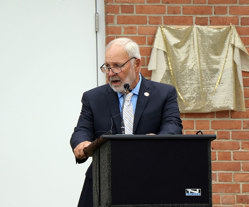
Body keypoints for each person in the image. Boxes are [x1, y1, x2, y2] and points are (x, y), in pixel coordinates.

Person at [70, 38, 183, 207]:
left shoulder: (164, 94)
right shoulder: (93, 98)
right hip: (103, 184)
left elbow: (173, 126)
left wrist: (158, 140)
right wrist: (81, 143)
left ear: (136, 64)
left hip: (151, 181)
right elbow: (82, 130)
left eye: (117, 66)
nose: (111, 73)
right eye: (107, 67)